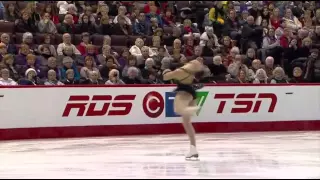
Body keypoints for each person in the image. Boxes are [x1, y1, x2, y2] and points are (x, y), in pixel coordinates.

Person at [161, 58, 204, 160]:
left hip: (184, 93)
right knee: (186, 123)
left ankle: (192, 109)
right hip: (192, 94)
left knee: (178, 109)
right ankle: (193, 148)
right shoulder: (192, 70)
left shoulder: (180, 72)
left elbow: (166, 77)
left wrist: (166, 71)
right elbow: (197, 64)